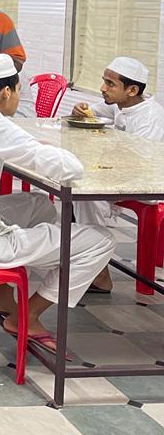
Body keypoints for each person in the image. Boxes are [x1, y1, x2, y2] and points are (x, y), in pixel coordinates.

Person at [0, 54, 114, 355]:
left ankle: (1, 295)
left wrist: (32, 146)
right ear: (6, 92)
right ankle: (28, 315)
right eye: (18, 90)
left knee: (38, 204)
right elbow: (70, 169)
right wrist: (48, 148)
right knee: (101, 241)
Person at [70, 56, 164, 291]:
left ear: (132, 90)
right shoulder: (122, 105)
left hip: (147, 182)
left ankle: (97, 268)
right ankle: (92, 263)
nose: (103, 88)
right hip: (122, 174)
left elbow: (137, 163)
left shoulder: (150, 117)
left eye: (110, 84)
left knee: (86, 194)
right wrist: (79, 109)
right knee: (77, 187)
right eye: (104, 81)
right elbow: (91, 111)